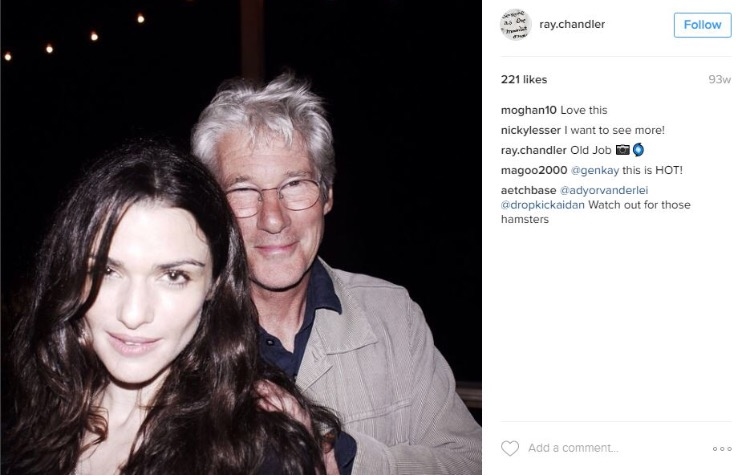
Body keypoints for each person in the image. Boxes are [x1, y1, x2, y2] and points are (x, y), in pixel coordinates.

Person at [191, 73, 482, 474]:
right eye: (243, 191)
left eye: (295, 184)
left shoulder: (391, 315)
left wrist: (340, 456)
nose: (273, 219)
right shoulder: (177, 332)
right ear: (211, 207)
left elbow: (473, 462)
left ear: (327, 194)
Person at [2, 139, 342, 474]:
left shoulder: (260, 456)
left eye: (174, 276)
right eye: (107, 271)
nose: (133, 314)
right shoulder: (21, 418)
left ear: (215, 283)